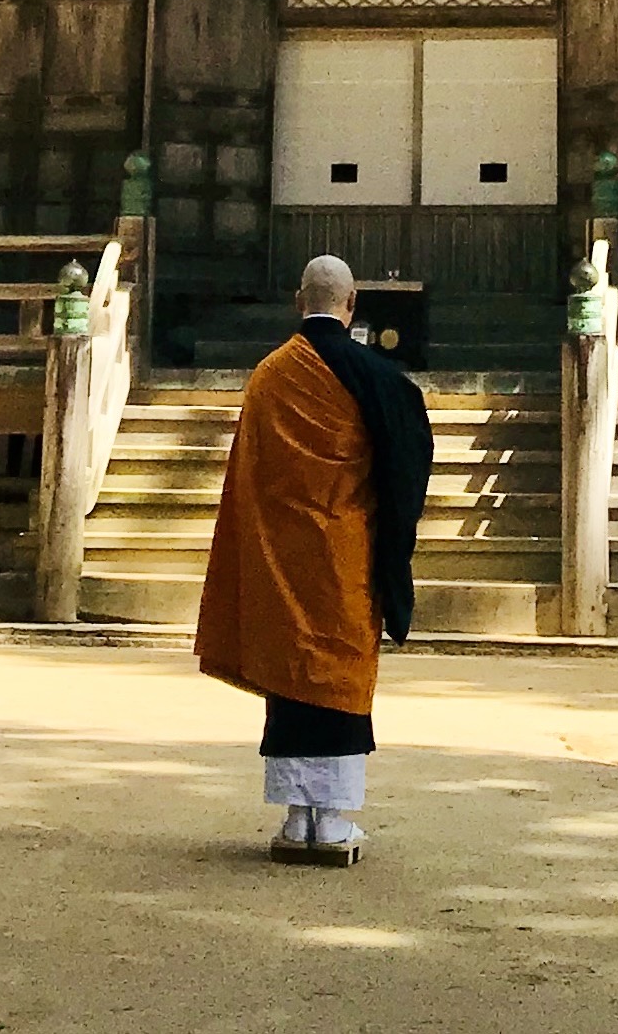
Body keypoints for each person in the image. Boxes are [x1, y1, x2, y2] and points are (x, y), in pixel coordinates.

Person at [194, 254, 434, 865]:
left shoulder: (270, 375)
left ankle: (297, 818)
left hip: (282, 557)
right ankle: (329, 826)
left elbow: (248, 478)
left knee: (291, 678)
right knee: (336, 676)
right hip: (343, 556)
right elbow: (407, 458)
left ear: (298, 301)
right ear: (352, 304)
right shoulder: (373, 375)